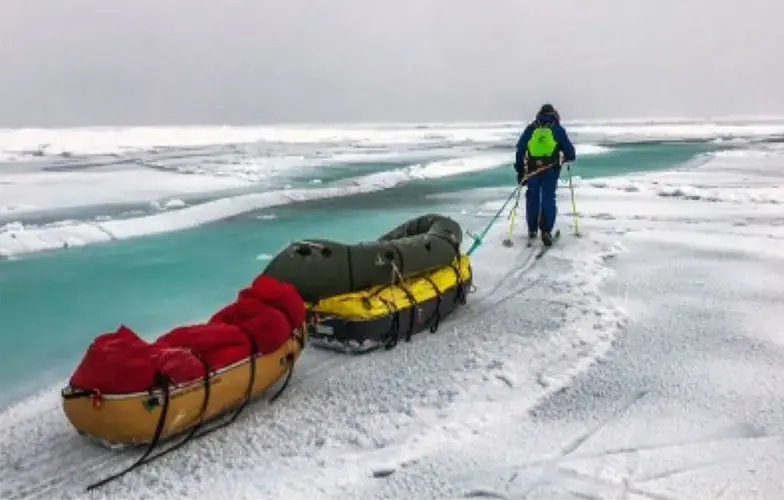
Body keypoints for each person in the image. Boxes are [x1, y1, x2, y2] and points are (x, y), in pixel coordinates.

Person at [513, 104, 576, 247]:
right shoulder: (557, 129)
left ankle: (532, 229)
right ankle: (546, 230)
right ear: (554, 114)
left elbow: (520, 150)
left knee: (532, 197)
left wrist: (520, 171)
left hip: (532, 169)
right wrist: (563, 158)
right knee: (548, 197)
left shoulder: (531, 129)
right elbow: (571, 154)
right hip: (550, 170)